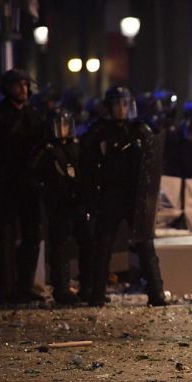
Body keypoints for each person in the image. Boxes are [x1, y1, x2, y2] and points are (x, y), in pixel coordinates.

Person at [80, 86, 167, 307]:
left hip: (134, 196)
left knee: (145, 244)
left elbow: (152, 157)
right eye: (118, 104)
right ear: (109, 107)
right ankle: (97, 294)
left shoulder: (139, 129)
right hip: (110, 194)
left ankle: (156, 294)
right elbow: (87, 164)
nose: (122, 108)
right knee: (103, 245)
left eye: (125, 103)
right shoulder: (99, 131)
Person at [0, 69, 45, 304]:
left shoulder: (33, 115)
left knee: (32, 235)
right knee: (5, 237)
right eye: (19, 85)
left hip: (29, 183)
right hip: (7, 183)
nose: (24, 90)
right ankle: (6, 288)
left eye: (26, 85)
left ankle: (24, 286)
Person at [32, 109, 93, 304]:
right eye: (58, 125)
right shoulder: (46, 150)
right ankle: (62, 288)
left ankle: (88, 287)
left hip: (77, 203)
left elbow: (84, 172)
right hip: (58, 205)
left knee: (87, 243)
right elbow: (34, 176)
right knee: (60, 246)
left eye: (65, 125)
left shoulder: (76, 147)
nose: (63, 129)